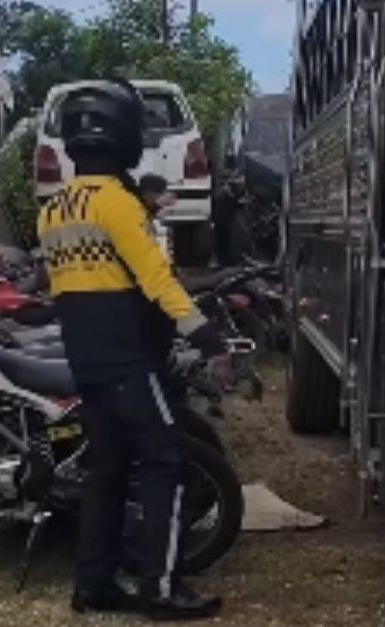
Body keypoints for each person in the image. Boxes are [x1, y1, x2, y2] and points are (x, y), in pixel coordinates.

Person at [37, 79, 231, 622]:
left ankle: (93, 583)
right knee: (165, 457)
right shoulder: (118, 204)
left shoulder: (55, 209)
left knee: (109, 469)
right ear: (121, 135)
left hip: (85, 355)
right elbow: (158, 280)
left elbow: (62, 283)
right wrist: (206, 336)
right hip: (127, 356)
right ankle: (161, 587)